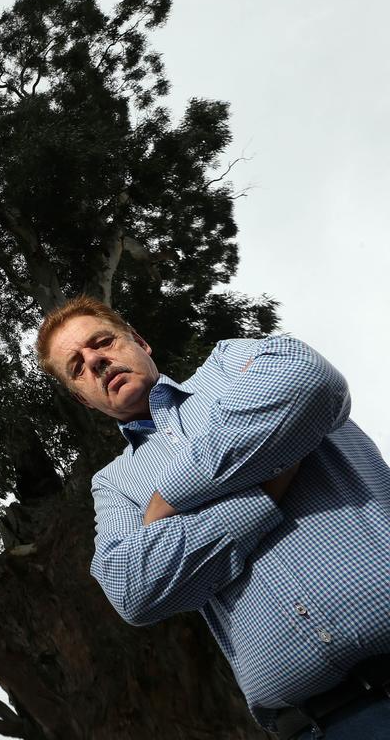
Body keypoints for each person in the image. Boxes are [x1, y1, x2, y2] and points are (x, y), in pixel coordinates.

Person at [35, 295, 390, 739]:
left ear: (140, 342)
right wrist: (267, 483)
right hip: (319, 728)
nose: (97, 362)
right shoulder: (114, 485)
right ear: (85, 400)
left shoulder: (229, 364)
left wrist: (168, 499)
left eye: (102, 342)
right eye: (78, 368)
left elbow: (310, 383)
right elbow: (132, 589)